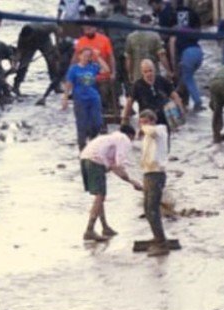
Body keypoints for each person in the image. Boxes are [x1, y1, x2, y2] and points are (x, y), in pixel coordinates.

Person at [77, 123, 140, 243]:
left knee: (99, 197)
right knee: (100, 195)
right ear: (131, 135)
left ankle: (105, 227)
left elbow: (113, 166)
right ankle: (89, 230)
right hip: (95, 160)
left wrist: (130, 181)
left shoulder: (109, 138)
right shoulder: (124, 139)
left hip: (85, 158)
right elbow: (119, 164)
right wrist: (133, 182)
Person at [138, 108, 172, 255]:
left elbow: (152, 132)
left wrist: (143, 127)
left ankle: (161, 242)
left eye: (146, 122)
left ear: (153, 121)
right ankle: (157, 237)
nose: (143, 126)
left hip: (156, 173)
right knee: (147, 208)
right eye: (141, 123)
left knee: (152, 208)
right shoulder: (147, 135)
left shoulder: (160, 130)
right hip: (148, 172)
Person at [160, 0, 204, 112]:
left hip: (186, 54)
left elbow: (171, 45)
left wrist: (173, 67)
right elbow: (199, 32)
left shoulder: (171, 16)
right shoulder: (192, 15)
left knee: (185, 78)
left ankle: (191, 102)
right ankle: (182, 101)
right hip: (198, 52)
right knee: (186, 78)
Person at [63, 45, 106, 150]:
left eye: (89, 56)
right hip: (80, 99)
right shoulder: (74, 69)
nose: (86, 58)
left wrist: (98, 57)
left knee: (97, 122)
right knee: (81, 124)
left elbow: (106, 69)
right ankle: (82, 148)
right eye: (84, 55)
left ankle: (93, 144)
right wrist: (65, 98)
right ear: (79, 56)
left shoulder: (93, 67)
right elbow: (68, 84)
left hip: (94, 98)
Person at [123, 56, 181, 126]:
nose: (148, 74)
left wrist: (180, 109)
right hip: (146, 119)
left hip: (164, 118)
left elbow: (174, 95)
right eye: (146, 72)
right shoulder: (137, 85)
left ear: (154, 70)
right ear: (142, 72)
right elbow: (129, 102)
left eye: (150, 71)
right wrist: (125, 119)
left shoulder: (161, 80)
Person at [122, 15, 163, 89]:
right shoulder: (155, 36)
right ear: (150, 23)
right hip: (153, 73)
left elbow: (128, 59)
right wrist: (169, 71)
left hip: (137, 73)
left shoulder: (131, 37)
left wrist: (130, 73)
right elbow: (161, 55)